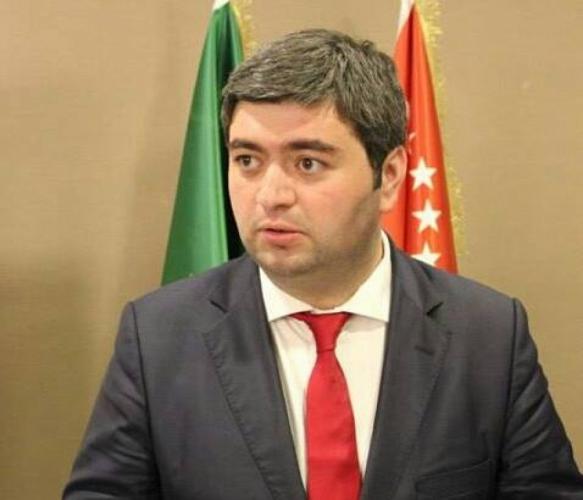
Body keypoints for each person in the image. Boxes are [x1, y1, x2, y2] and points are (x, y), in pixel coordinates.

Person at [63, 29, 583, 499]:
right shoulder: (158, 336)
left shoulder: (489, 335)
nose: (270, 195)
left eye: (307, 163)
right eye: (247, 160)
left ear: (390, 176)